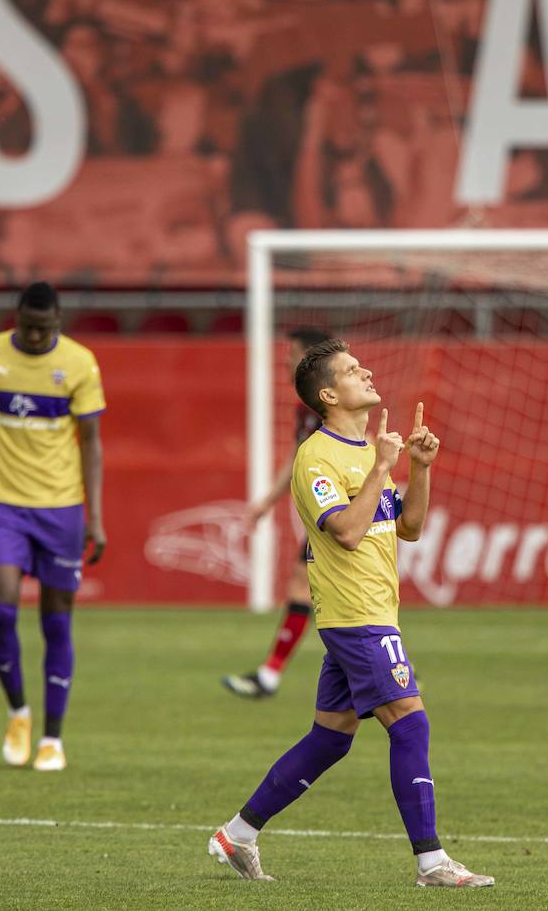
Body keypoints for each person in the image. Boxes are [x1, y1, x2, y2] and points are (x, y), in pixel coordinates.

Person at [207, 339, 493, 889]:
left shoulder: (368, 450)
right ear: (328, 393)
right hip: (356, 615)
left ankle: (237, 834)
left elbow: (406, 528)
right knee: (411, 722)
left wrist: (418, 467)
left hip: (373, 611)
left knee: (331, 738)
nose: (366, 372)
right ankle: (431, 862)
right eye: (352, 370)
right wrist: (383, 465)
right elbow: (345, 531)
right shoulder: (317, 457)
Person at [0, 282, 107, 771]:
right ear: (16, 319)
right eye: (28, 327)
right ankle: (18, 711)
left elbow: (91, 444)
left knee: (55, 622)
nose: (37, 337)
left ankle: (52, 738)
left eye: (45, 328)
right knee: (1, 611)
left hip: (62, 509)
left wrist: (95, 518)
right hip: (4, 506)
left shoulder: (81, 363)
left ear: (59, 322)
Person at [222, 327, 331, 699]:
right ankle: (395, 667)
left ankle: (270, 676)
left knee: (318, 592)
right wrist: (267, 501)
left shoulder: (332, 406)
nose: (286, 362)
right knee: (318, 591)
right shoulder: (305, 409)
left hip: (341, 514)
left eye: (292, 355)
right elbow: (297, 458)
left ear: (311, 359)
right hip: (326, 517)